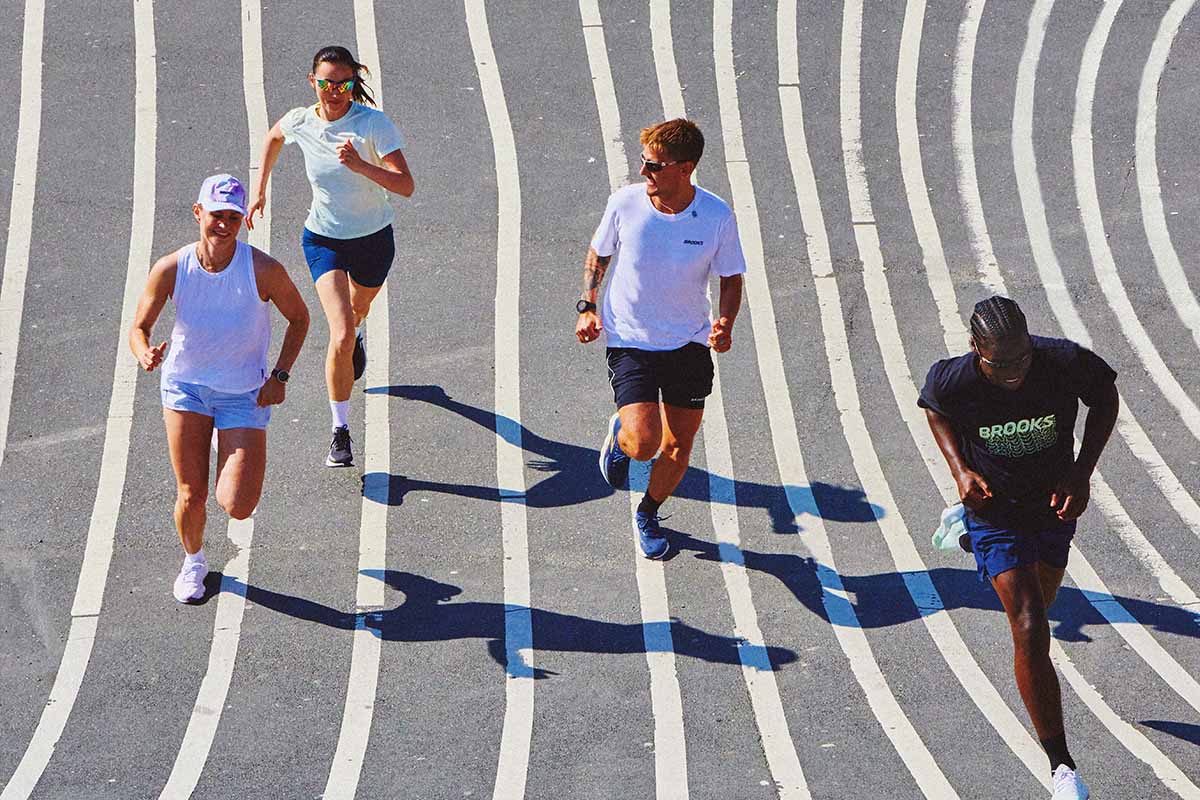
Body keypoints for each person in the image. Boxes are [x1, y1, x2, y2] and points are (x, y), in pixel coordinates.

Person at [919, 296, 1118, 800]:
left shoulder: (1062, 362)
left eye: (1021, 358)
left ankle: (976, 545)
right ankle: (1063, 768)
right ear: (976, 349)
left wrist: (1082, 471)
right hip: (996, 512)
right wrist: (960, 471)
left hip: (1053, 506)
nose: (1013, 372)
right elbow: (934, 410)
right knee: (1029, 624)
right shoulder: (954, 379)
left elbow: (1106, 397)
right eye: (999, 363)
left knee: (1043, 607)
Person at [130, 174, 309, 603]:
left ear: (243, 219)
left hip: (243, 393)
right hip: (186, 390)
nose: (223, 225)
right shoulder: (173, 268)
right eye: (216, 215)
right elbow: (139, 326)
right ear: (198, 213)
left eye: (233, 217)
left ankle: (223, 439)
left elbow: (300, 318)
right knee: (191, 494)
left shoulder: (263, 270)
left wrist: (280, 377)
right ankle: (193, 562)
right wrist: (144, 353)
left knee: (238, 505)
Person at [577, 118, 745, 559]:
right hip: (630, 338)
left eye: (654, 165)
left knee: (678, 445)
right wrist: (588, 304)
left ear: (685, 168)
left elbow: (731, 277)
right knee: (644, 443)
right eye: (643, 162)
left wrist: (725, 322)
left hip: (688, 342)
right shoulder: (625, 204)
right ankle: (621, 436)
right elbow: (600, 251)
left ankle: (648, 512)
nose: (644, 172)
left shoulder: (715, 217)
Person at [247, 45, 414, 467]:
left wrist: (360, 166)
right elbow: (273, 136)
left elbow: (405, 185)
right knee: (337, 333)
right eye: (326, 82)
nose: (334, 91)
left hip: (374, 239)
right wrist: (260, 186)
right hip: (323, 239)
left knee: (358, 312)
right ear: (312, 82)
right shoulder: (302, 120)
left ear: (352, 83)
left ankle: (358, 330)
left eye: (342, 83)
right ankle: (340, 430)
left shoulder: (373, 125)